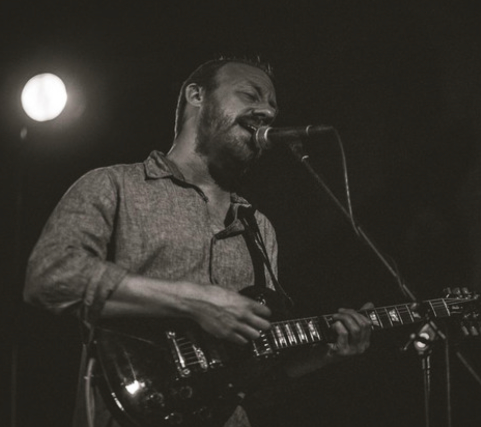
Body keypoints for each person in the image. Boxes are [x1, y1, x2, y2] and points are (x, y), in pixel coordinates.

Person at [23, 57, 373, 427]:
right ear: (196, 95)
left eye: (272, 105)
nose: (268, 111)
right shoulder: (113, 185)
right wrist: (195, 301)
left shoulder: (259, 227)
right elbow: (49, 275)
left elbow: (252, 379)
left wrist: (321, 356)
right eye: (251, 95)